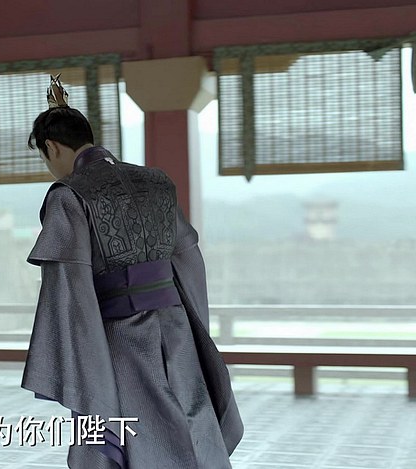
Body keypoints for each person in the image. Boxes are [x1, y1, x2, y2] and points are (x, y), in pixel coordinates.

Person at [21, 76, 243, 468]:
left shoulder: (69, 195)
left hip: (121, 337)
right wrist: (193, 325)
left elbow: (69, 288)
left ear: (52, 147)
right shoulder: (156, 181)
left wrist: (82, 358)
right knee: (191, 423)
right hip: (176, 327)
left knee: (137, 434)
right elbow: (188, 260)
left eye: (45, 158)